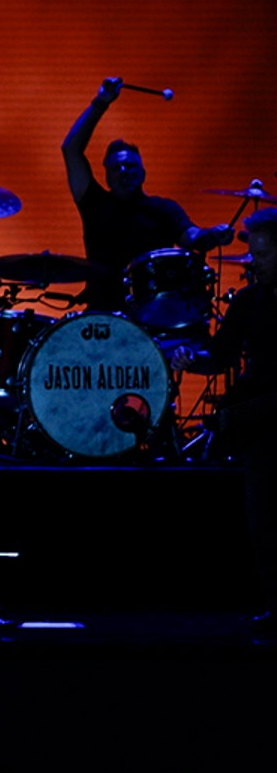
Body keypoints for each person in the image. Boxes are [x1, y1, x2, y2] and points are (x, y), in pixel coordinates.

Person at [172, 208, 277, 631]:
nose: (253, 263)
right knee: (264, 519)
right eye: (252, 255)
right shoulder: (250, 301)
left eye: (264, 255)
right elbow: (220, 355)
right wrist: (189, 358)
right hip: (264, 424)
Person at [62, 77, 231, 312]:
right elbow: (70, 149)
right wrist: (101, 102)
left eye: (130, 166)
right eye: (116, 168)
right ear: (107, 177)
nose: (123, 172)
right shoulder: (94, 203)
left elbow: (192, 237)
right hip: (102, 315)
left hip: (153, 313)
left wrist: (214, 234)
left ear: (143, 173)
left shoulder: (164, 209)